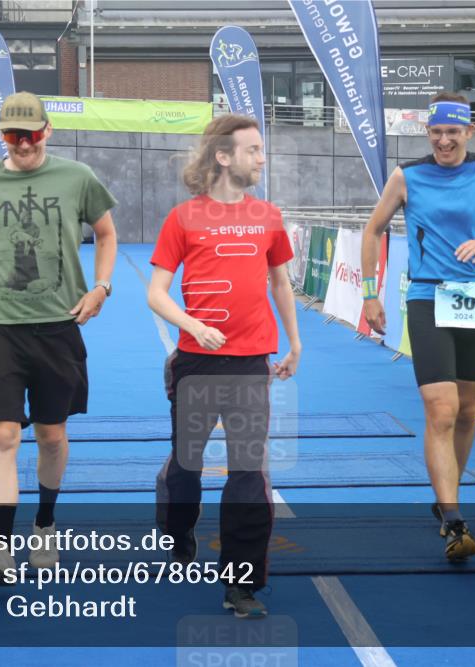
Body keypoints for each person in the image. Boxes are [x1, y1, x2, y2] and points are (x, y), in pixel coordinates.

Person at [360, 92, 475, 560]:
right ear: (427, 133)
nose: (444, 140)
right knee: (441, 410)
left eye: (453, 132)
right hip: (428, 298)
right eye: (436, 132)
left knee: (468, 412)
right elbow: (373, 230)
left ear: (469, 132)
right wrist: (370, 293)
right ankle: (453, 519)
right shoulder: (407, 176)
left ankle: (446, 495)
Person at [148, 114, 301, 619]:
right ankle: (177, 527)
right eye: (253, 150)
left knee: (248, 473)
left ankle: (241, 584)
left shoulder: (269, 217)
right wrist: (193, 326)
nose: (262, 158)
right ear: (223, 156)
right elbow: (156, 294)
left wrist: (294, 342)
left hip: (252, 363)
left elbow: (280, 282)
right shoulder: (183, 218)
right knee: (186, 466)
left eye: (261, 149)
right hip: (196, 364)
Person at [0, 92, 117, 575]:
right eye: (12, 135)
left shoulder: (77, 177)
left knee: (51, 435)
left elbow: (106, 233)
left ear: (47, 130)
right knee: (4, 435)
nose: (23, 144)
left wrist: (101, 287)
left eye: (30, 134)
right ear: (2, 135)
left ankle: (45, 525)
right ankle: (1, 549)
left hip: (58, 324)